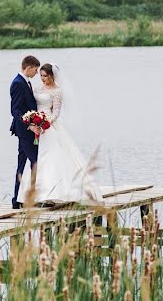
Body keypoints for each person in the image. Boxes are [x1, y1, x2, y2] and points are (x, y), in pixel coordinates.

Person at [16, 63, 102, 206]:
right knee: (37, 160)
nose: (42, 78)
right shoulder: (37, 88)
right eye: (41, 75)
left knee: (49, 159)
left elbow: (56, 112)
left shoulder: (57, 91)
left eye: (45, 76)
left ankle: (50, 195)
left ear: (52, 76)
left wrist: (45, 122)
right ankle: (35, 195)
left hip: (49, 126)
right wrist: (33, 119)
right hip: (37, 128)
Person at [9, 55, 41, 209]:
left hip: (27, 130)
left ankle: (17, 200)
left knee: (22, 164)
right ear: (28, 68)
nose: (36, 73)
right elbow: (15, 110)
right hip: (24, 131)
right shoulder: (17, 83)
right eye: (35, 70)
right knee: (35, 162)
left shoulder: (25, 82)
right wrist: (29, 126)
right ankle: (33, 198)